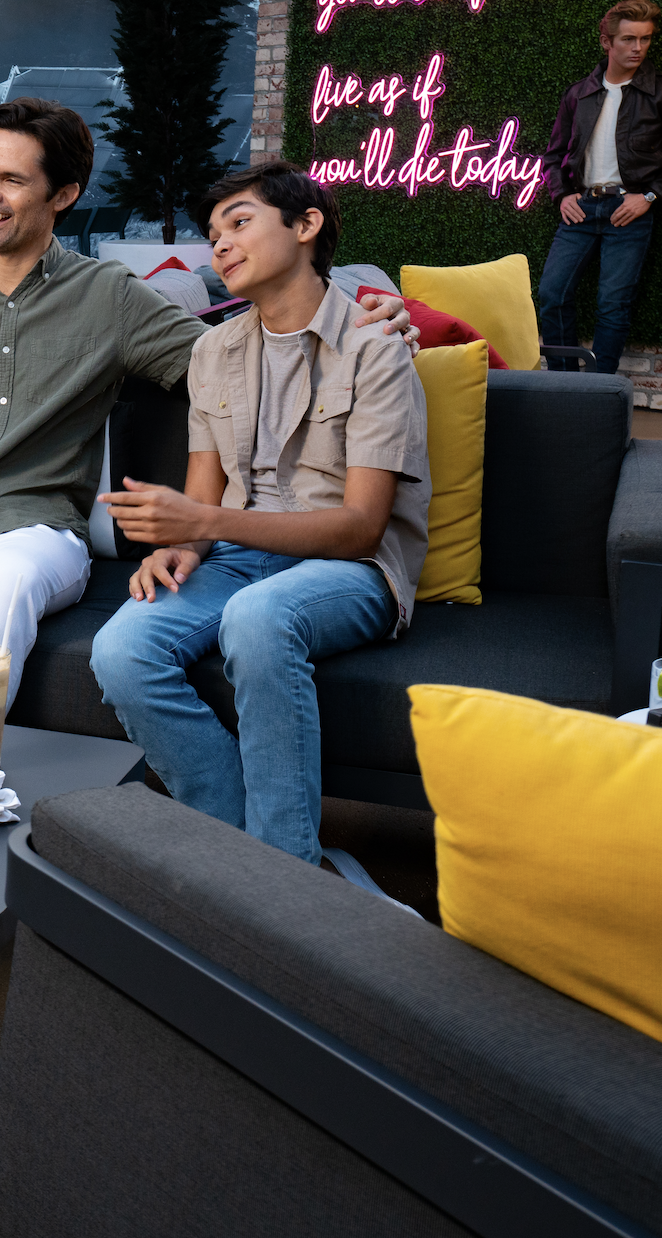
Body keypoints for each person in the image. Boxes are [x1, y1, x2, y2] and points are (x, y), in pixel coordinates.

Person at [0, 100, 416, 724]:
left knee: (3, 575)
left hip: (37, 534)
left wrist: (369, 310)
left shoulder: (109, 297)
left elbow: (246, 355)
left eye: (12, 180)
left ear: (62, 196)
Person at [88, 162, 428, 896]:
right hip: (239, 556)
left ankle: (283, 886)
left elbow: (362, 530)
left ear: (306, 227)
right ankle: (247, 858)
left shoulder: (376, 347)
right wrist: (180, 545)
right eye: (213, 236)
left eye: (240, 223)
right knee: (120, 648)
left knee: (259, 616)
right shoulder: (215, 351)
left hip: (350, 571)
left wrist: (204, 520)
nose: (222, 246)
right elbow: (206, 490)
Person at [536, 0, 662, 374]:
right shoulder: (578, 95)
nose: (638, 48)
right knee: (552, 294)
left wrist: (650, 196)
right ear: (606, 42)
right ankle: (564, 386)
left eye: (645, 39)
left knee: (613, 303)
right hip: (581, 209)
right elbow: (553, 156)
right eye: (629, 39)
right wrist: (562, 193)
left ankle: (599, 390)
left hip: (627, 213)